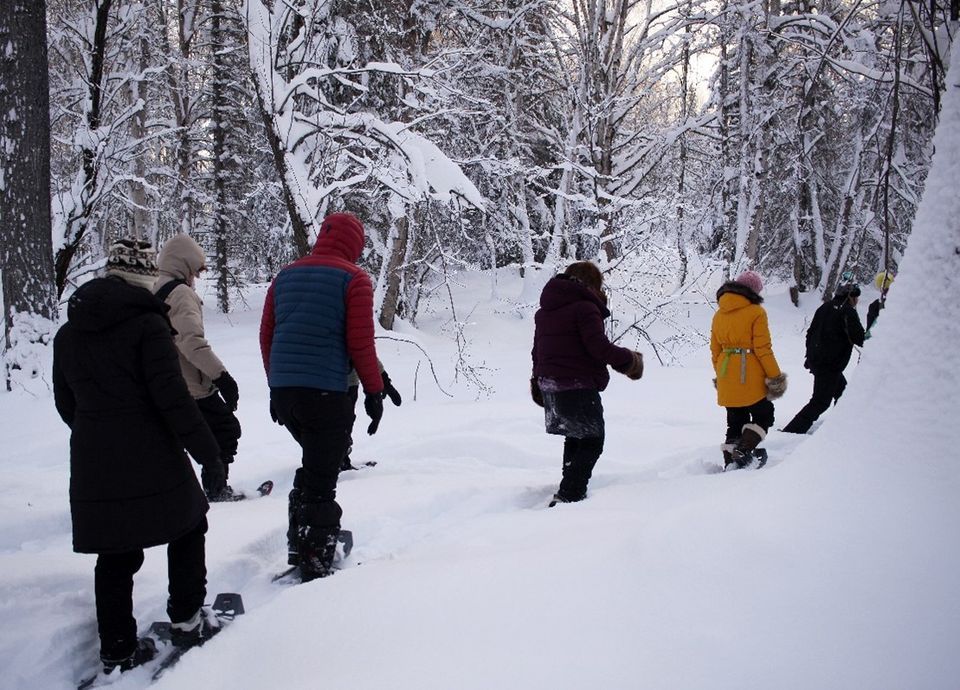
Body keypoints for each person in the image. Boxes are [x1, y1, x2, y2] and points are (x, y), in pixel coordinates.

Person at [52, 239, 226, 676]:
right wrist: (209, 452)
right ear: (144, 277)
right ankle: (187, 619)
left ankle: (117, 650)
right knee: (189, 527)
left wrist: (98, 433)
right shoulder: (148, 327)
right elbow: (174, 400)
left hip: (94, 461)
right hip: (153, 454)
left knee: (116, 555)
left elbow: (65, 402)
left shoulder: (69, 332)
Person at [260, 212, 385, 582]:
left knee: (314, 468)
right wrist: (374, 392)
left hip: (286, 393)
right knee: (321, 481)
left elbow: (268, 335)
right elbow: (359, 343)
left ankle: (301, 543)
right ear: (355, 245)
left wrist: (275, 385)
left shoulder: (285, 276)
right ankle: (316, 563)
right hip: (326, 393)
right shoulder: (355, 279)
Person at [530, 261, 644, 506]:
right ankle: (569, 494)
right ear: (593, 284)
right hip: (577, 384)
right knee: (592, 439)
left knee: (576, 436)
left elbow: (536, 351)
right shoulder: (584, 308)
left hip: (550, 384)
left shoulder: (545, 312)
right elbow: (598, 348)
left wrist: (536, 380)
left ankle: (569, 484)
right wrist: (630, 360)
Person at [154, 233, 242, 501]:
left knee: (183, 436)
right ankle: (216, 490)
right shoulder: (180, 293)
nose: (197, 277)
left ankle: (182, 490)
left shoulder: (154, 286)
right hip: (192, 384)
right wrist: (222, 377)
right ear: (184, 264)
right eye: (196, 270)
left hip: (165, 380)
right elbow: (191, 342)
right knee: (224, 431)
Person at [710, 270, 787, 470]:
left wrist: (720, 375)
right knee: (764, 415)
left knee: (735, 420)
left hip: (726, 371)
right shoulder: (756, 312)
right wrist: (775, 377)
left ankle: (730, 462)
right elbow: (763, 349)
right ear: (753, 292)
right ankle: (744, 450)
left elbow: (715, 350)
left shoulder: (719, 314)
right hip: (749, 374)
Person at [782, 282, 865, 434]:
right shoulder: (847, 311)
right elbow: (859, 337)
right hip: (830, 364)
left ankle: (842, 424)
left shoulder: (824, 307)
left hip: (818, 360)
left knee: (843, 393)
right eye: (856, 297)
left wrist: (810, 355)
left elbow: (810, 333)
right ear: (851, 297)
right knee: (821, 401)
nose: (857, 300)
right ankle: (792, 432)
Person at [341, 359, 402, 471]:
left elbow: (364, 351)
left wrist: (383, 380)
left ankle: (339, 460)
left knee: (340, 423)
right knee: (340, 423)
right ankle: (335, 462)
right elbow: (363, 350)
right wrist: (383, 382)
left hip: (309, 379)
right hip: (338, 381)